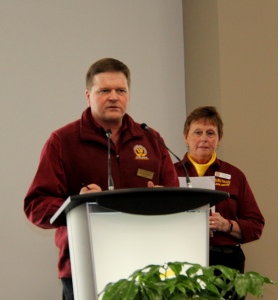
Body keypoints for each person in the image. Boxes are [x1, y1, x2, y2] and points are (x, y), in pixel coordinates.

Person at [24, 58, 179, 300]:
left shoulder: (151, 139)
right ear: (88, 95)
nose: (114, 97)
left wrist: (162, 198)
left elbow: (176, 196)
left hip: (147, 268)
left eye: (121, 90)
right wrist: (76, 205)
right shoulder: (63, 141)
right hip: (85, 267)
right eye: (104, 90)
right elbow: (36, 205)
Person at [174, 106, 265, 275]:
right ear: (186, 137)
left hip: (226, 262)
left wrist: (227, 225)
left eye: (210, 133)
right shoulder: (170, 174)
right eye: (197, 132)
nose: (204, 139)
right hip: (181, 259)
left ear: (219, 139)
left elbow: (256, 225)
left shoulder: (234, 175)